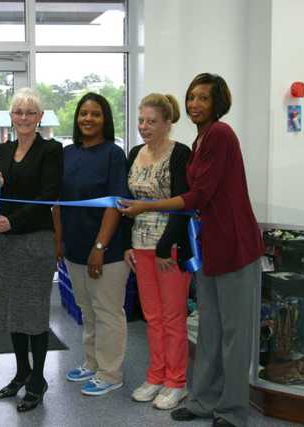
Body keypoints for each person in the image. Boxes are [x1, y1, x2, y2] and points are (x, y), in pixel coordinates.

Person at [119, 73, 264, 427]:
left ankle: (231, 411)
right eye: (192, 97)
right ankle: (202, 401)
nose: (195, 104)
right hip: (211, 248)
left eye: (203, 98)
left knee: (233, 335)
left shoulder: (220, 134)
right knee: (210, 330)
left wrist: (145, 207)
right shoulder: (201, 139)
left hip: (236, 248)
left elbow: (198, 197)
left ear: (218, 103)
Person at [52, 92, 130, 397]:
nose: (88, 118)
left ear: (105, 119)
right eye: (83, 113)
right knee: (87, 309)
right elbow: (57, 202)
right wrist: (59, 242)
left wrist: (99, 248)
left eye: (95, 114)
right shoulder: (67, 154)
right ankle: (92, 361)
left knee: (108, 311)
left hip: (106, 251)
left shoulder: (113, 154)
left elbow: (115, 203)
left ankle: (111, 373)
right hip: (74, 248)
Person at [0, 88, 63, 412]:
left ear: (40, 118)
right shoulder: (4, 149)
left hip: (35, 240)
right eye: (18, 112)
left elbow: (47, 194)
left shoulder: (51, 149)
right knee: (12, 311)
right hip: (6, 244)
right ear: (11, 116)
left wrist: (14, 222)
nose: (23, 117)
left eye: (30, 112)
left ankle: (38, 381)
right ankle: (22, 371)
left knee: (34, 314)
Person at [124, 93, 192, 410]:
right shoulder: (135, 153)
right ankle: (156, 376)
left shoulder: (180, 154)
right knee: (152, 317)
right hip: (141, 247)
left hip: (170, 249)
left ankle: (176, 382)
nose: (144, 127)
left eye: (152, 121)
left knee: (172, 317)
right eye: (141, 120)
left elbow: (184, 204)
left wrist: (166, 247)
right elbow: (124, 203)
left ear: (168, 122)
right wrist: (127, 245)